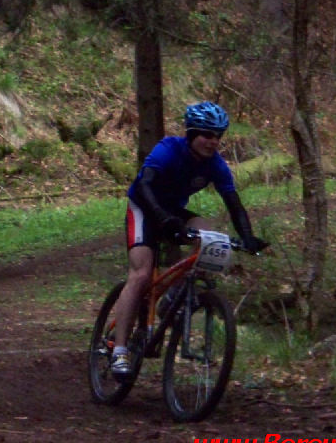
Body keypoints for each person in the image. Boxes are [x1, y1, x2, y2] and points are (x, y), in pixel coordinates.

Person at [110, 101, 266, 377]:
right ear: (192, 133)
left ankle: (173, 298)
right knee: (141, 273)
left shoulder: (216, 165)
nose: (213, 141)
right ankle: (119, 351)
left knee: (211, 239)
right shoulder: (168, 149)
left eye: (218, 136)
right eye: (207, 135)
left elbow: (234, 203)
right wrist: (160, 217)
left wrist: (248, 237)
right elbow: (144, 184)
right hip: (144, 207)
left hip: (172, 210)